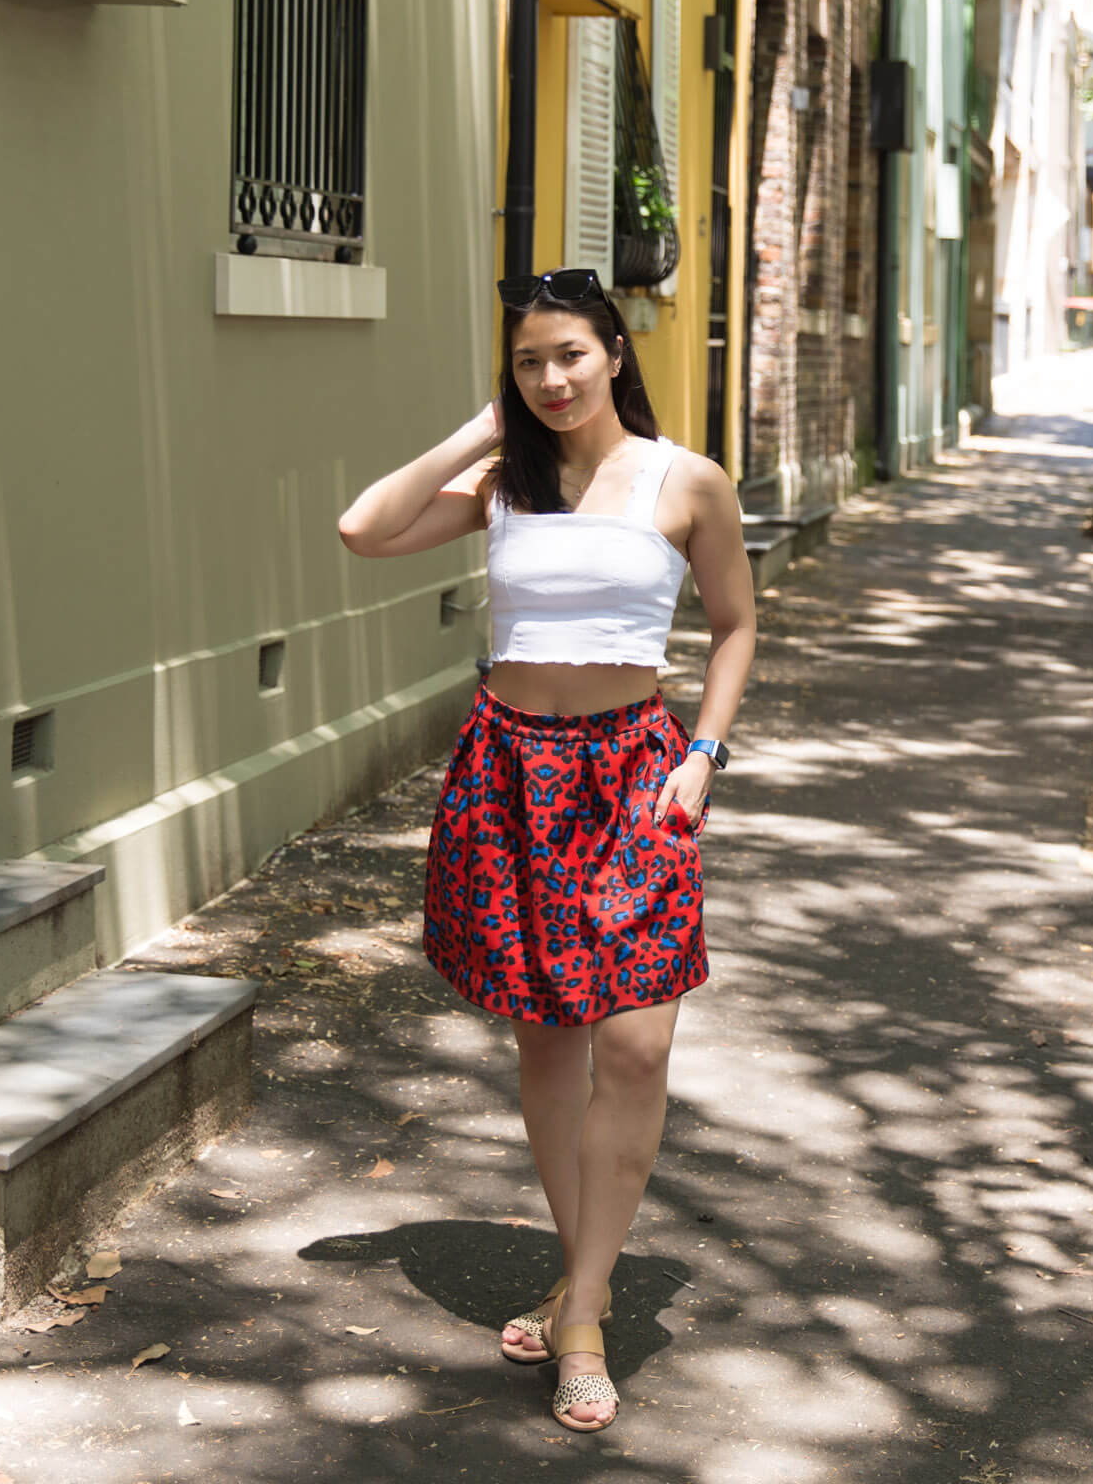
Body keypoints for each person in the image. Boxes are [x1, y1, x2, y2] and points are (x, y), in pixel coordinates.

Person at [337, 266, 755, 1433]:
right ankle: (587, 1296)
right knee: (551, 1034)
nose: (552, 378)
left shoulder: (686, 482)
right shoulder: (502, 483)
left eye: (570, 354)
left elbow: (734, 625)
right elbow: (361, 529)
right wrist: (480, 430)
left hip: (635, 770)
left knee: (635, 1039)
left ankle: (582, 1301)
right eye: (528, 362)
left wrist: (703, 755)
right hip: (510, 770)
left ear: (614, 353)